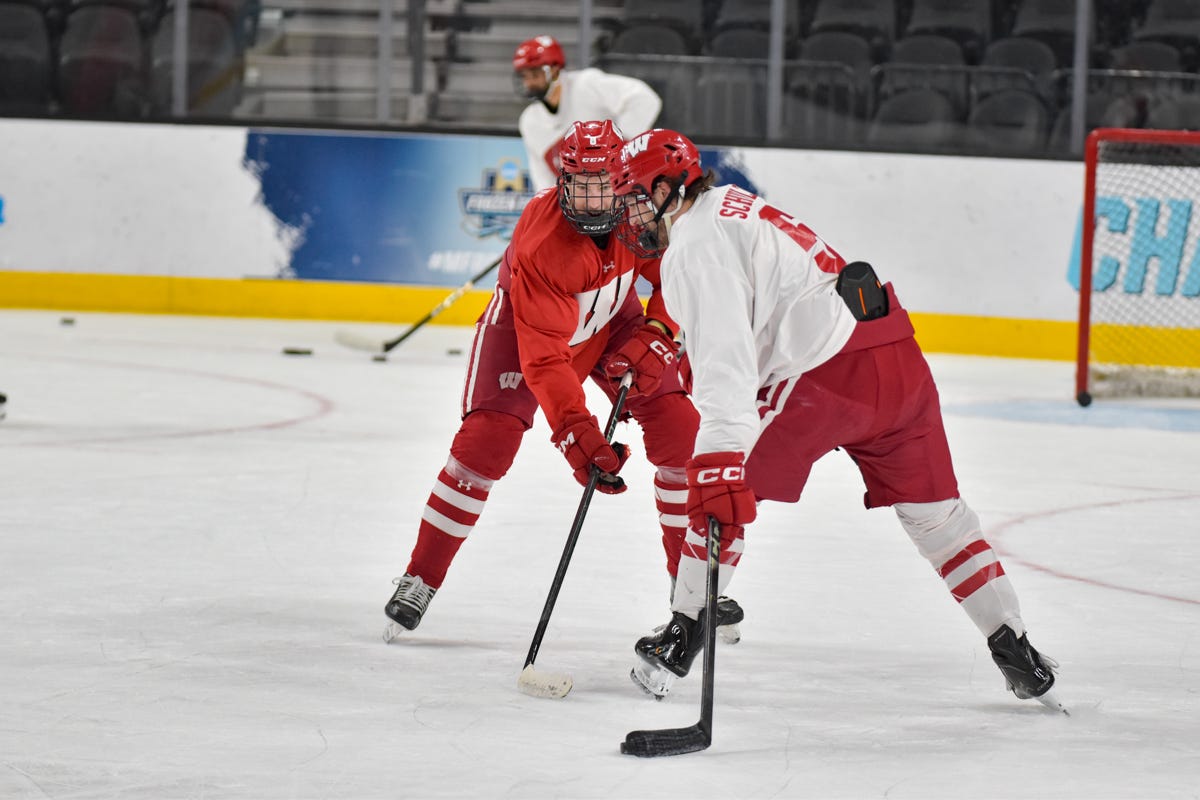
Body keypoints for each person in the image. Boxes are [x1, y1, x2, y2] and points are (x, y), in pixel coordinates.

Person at [608, 128, 1065, 712]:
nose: (630, 211)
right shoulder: (736, 207)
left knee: (720, 484)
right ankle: (1015, 646)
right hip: (894, 355)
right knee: (940, 519)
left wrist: (720, 452)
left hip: (823, 376)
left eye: (636, 196)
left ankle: (682, 635)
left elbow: (728, 363)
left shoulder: (694, 242)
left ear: (669, 189)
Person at [382, 121, 743, 644]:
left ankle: (688, 591)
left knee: (678, 428)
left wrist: (661, 331)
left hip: (614, 320)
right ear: (563, 182)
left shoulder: (637, 209)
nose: (595, 198)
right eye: (581, 185)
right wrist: (577, 431)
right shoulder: (543, 243)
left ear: (621, 177)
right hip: (524, 333)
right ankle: (420, 576)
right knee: (487, 441)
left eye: (604, 183)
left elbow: (675, 272)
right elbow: (547, 359)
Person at [513, 35, 662, 192]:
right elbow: (543, 181)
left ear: (556, 69)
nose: (529, 83)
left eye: (535, 74)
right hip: (583, 208)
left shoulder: (586, 85)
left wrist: (622, 147)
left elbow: (645, 99)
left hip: (626, 193)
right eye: (524, 76)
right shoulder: (530, 121)